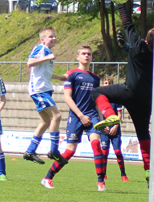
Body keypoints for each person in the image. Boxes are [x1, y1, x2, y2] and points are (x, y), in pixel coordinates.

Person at [91, 2, 154, 185]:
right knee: (143, 132)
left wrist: (120, 3)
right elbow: (137, 49)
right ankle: (149, 169)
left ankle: (111, 116)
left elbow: (127, 23)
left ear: (146, 40)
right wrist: (126, 46)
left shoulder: (138, 44)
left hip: (130, 91)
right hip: (146, 98)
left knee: (97, 92)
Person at [41, 45, 107, 191]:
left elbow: (97, 101)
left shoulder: (96, 78)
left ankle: (101, 182)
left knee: (96, 144)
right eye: (83, 54)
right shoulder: (71, 74)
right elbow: (67, 98)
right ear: (77, 57)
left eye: (89, 54)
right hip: (77, 117)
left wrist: (102, 120)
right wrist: (81, 116)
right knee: (69, 151)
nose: (86, 56)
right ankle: (48, 177)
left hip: (92, 115)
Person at [23, 27, 68, 165]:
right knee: (57, 116)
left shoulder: (48, 52)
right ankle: (54, 151)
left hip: (44, 89)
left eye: (54, 36)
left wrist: (59, 77)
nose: (54, 38)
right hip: (39, 89)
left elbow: (43, 72)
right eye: (50, 37)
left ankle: (30, 151)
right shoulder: (40, 48)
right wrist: (47, 57)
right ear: (43, 39)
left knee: (46, 122)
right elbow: (30, 63)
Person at [99, 75, 129, 182]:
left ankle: (123, 174)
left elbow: (119, 115)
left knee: (117, 151)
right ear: (103, 85)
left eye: (109, 83)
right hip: (104, 130)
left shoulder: (117, 98)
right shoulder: (100, 99)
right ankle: (103, 174)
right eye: (105, 83)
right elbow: (99, 115)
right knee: (104, 152)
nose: (107, 85)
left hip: (115, 129)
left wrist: (115, 126)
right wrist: (103, 126)